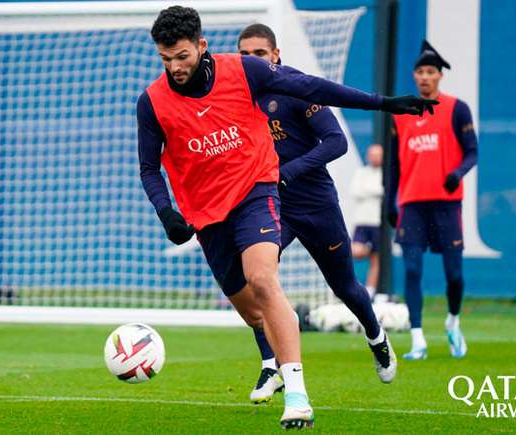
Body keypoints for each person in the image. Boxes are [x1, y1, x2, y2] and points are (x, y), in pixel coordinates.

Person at [138, 7, 433, 429]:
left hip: (265, 191)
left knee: (271, 279)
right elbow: (149, 168)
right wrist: (166, 212)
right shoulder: (152, 102)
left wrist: (384, 104)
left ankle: (299, 392)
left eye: (181, 56)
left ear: (201, 46)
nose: (175, 67)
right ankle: (273, 356)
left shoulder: (246, 72)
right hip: (209, 212)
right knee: (254, 309)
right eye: (166, 59)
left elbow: (315, 87)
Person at [236, 24, 395, 405]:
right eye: (244, 54)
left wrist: (288, 172)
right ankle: (270, 362)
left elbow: (336, 141)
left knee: (345, 287)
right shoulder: (238, 97)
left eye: (259, 53)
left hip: (316, 204)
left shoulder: (297, 87)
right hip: (271, 206)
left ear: (275, 55)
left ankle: (376, 336)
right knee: (257, 281)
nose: (250, 61)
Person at [385, 41, 478, 360]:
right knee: (411, 269)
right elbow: (393, 164)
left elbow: (473, 151)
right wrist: (389, 201)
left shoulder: (457, 108)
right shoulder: (401, 113)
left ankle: (452, 322)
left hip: (447, 204)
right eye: (420, 72)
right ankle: (417, 339)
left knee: (454, 275)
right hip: (412, 204)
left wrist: (457, 173)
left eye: (431, 72)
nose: (425, 77)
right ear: (414, 76)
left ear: (440, 76)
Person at [350, 144, 384, 298]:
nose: (376, 157)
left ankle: (370, 292)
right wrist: (376, 191)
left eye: (379, 155)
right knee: (355, 251)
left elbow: (386, 192)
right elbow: (356, 191)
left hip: (379, 223)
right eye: (373, 154)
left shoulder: (386, 173)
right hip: (363, 221)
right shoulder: (361, 173)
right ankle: (347, 285)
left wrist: (372, 191)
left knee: (377, 259)